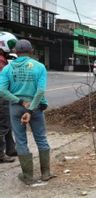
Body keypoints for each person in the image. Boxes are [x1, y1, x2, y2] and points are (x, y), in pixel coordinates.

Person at [0, 39, 54, 185]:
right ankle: (46, 173)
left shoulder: (7, 69)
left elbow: (2, 91)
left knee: (21, 141)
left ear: (15, 52)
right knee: (41, 139)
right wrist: (31, 108)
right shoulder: (39, 67)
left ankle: (28, 176)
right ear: (31, 51)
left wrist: (19, 101)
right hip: (35, 107)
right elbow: (41, 90)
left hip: (16, 108)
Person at [0, 32, 17, 163]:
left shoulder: (3, 59)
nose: (12, 48)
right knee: (3, 124)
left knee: (8, 123)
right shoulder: (1, 61)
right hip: (2, 96)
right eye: (11, 45)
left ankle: (11, 149)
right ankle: (1, 154)